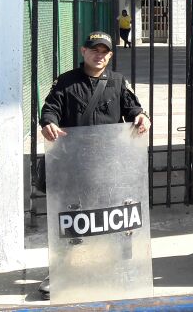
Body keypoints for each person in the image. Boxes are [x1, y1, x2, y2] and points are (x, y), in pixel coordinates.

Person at [37, 31, 150, 298]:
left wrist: (141, 116)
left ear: (110, 55)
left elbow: (133, 107)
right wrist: (48, 123)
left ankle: (123, 268)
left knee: (118, 220)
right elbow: (50, 109)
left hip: (110, 165)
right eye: (94, 50)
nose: (99, 56)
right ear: (83, 51)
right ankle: (60, 271)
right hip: (74, 164)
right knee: (71, 218)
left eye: (104, 52)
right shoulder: (65, 82)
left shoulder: (118, 82)